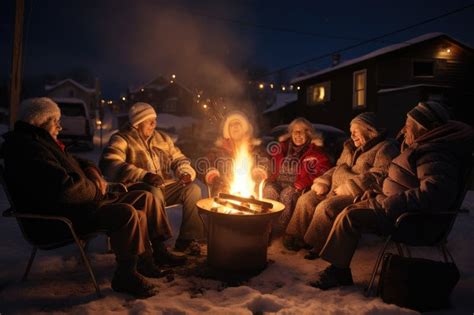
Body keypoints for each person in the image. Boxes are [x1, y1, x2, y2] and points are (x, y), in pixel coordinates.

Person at [1, 97, 182, 298]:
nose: (60, 127)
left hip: (82, 205)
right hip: (63, 217)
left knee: (145, 198)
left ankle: (151, 258)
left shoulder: (43, 142)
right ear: (40, 122)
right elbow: (65, 189)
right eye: (55, 122)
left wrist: (92, 171)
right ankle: (126, 275)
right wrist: (97, 191)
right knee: (127, 213)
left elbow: (80, 161)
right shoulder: (29, 149)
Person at [309, 101, 474, 290]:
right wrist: (376, 192)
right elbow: (401, 181)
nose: (403, 130)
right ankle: (337, 267)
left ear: (424, 129)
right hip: (395, 208)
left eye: (409, 125)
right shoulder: (424, 147)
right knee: (349, 209)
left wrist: (390, 202)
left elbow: (434, 194)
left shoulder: (435, 154)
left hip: (413, 220)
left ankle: (338, 272)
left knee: (350, 217)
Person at [284, 112, 399, 257]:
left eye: (356, 132)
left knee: (326, 208)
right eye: (351, 132)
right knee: (306, 199)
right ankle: (295, 236)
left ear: (369, 130)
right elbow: (337, 166)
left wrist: (349, 187)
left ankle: (317, 244)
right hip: (334, 187)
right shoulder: (350, 147)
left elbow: (379, 174)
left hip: (359, 193)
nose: (352, 136)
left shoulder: (385, 148)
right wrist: (324, 180)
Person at [99, 102, 204, 255]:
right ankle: (158, 246)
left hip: (163, 187)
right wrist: (144, 175)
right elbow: (109, 163)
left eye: (155, 119)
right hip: (137, 189)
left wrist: (184, 172)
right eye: (150, 121)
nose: (154, 124)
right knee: (154, 192)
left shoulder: (162, 138)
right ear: (137, 124)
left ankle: (187, 239)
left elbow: (179, 158)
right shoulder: (122, 139)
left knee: (193, 189)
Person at [263, 118, 332, 235]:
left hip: (297, 185)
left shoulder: (316, 151)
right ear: (291, 133)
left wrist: (303, 183)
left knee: (287, 194)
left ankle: (281, 230)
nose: (298, 134)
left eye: (302, 131)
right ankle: (267, 228)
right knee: (269, 191)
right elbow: (269, 163)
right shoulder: (281, 148)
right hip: (278, 182)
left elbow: (323, 171)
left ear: (309, 133)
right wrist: (264, 172)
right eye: (295, 131)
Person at [202, 111, 268, 197]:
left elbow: (265, 163)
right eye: (231, 125)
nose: (235, 127)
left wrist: (259, 173)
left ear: (245, 128)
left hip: (250, 192)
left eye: (238, 123)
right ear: (227, 131)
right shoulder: (217, 151)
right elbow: (205, 164)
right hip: (223, 191)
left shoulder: (256, 149)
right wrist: (213, 176)